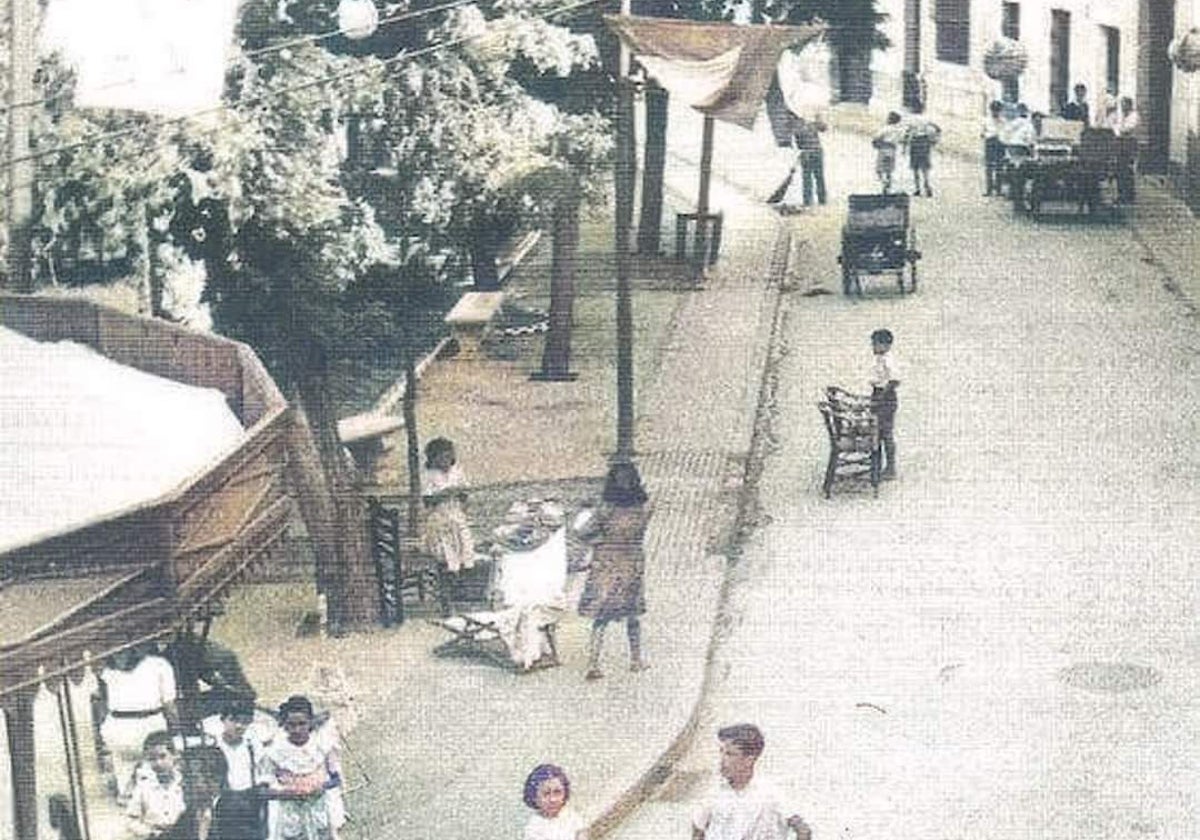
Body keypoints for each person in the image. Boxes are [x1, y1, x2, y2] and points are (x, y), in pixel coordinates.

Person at [577, 461, 651, 680]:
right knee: (632, 614)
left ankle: (593, 663)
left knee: (601, 614)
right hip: (631, 560)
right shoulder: (644, 507)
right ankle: (636, 659)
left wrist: (599, 541)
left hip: (607, 561)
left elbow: (583, 532)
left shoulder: (605, 508)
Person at [691, 724, 811, 840]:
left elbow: (803, 830)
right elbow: (698, 828)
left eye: (730, 754)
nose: (722, 760)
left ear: (749, 759)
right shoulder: (714, 793)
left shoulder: (770, 794)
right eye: (721, 752)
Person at [98, 645, 179, 801]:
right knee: (160, 759)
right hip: (149, 729)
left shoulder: (106, 669)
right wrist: (177, 730)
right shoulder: (160, 664)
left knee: (123, 763)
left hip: (116, 732)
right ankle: (152, 793)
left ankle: (126, 792)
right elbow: (170, 706)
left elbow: (102, 704)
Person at [260, 695, 344, 840]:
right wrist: (289, 793)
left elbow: (336, 779)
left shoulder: (323, 746)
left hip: (319, 808)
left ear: (310, 722)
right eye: (291, 725)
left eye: (302, 724)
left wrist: (322, 786)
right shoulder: (274, 752)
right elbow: (262, 791)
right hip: (290, 813)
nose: (297, 730)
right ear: (284, 725)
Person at [422, 436, 475, 614]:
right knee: (445, 560)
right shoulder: (429, 475)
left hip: (456, 518)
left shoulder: (457, 472)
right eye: (441, 457)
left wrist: (461, 496)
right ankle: (446, 601)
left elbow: (465, 494)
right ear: (433, 458)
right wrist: (446, 493)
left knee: (465, 555)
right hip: (439, 522)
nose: (445, 461)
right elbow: (427, 500)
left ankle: (460, 595)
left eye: (448, 456)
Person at [204, 700, 267, 840]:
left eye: (244, 722)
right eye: (233, 720)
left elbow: (262, 775)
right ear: (223, 720)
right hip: (223, 805)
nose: (239, 726)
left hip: (249, 804)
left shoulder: (253, 745)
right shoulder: (214, 746)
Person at [124, 731, 187, 839]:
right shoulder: (143, 788)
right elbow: (131, 821)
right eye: (152, 759)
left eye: (163, 756)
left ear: (175, 756)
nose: (158, 763)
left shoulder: (185, 784)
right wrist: (149, 833)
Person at [522, 764, 589, 840]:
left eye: (557, 792)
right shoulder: (534, 828)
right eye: (546, 793)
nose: (552, 799)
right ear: (535, 797)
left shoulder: (573, 818)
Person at [869, 328, 901, 481]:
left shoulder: (889, 360)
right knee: (879, 432)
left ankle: (890, 467)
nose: (873, 347)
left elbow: (894, 381)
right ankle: (880, 465)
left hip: (886, 399)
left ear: (886, 345)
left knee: (886, 433)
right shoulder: (880, 359)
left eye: (876, 344)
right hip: (879, 394)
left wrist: (881, 397)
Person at [905, 115, 940, 197]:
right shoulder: (927, 119)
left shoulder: (911, 119)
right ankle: (926, 184)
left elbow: (907, 134)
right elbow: (938, 129)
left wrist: (905, 146)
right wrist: (934, 141)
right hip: (925, 142)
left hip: (915, 143)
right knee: (925, 167)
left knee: (915, 168)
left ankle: (917, 188)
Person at [872, 112, 905, 194]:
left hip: (884, 148)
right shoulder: (898, 130)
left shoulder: (886, 128)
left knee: (879, 169)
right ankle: (888, 187)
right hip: (892, 149)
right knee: (889, 170)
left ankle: (884, 182)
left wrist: (876, 144)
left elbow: (877, 137)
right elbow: (901, 139)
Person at [981, 100, 1006, 196]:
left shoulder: (1003, 121)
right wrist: (986, 135)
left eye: (997, 110)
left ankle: (999, 189)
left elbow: (1005, 133)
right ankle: (989, 189)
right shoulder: (986, 120)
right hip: (990, 143)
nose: (995, 112)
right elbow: (982, 133)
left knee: (999, 167)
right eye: (994, 110)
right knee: (989, 167)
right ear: (991, 110)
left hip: (1000, 144)